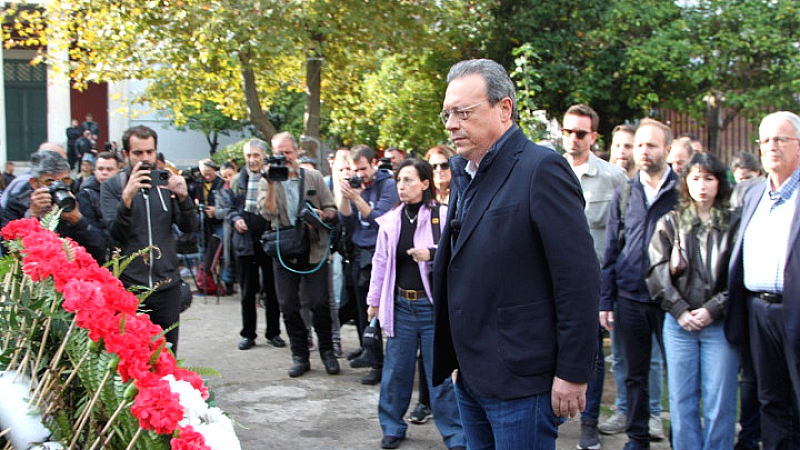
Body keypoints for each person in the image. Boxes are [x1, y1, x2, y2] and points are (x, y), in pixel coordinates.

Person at [431, 59, 599, 449]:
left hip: (523, 382)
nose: (451, 124)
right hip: (472, 375)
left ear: (504, 109)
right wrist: (456, 358)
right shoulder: (465, 174)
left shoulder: (542, 169)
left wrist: (573, 372)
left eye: (462, 112)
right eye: (447, 114)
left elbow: (578, 280)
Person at [366, 158, 464, 450]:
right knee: (396, 370)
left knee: (440, 373)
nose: (402, 186)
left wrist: (431, 253)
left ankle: (455, 434)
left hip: (432, 307)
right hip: (400, 306)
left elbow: (458, 250)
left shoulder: (441, 214)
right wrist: (374, 302)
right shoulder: (390, 221)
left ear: (424, 183)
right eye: (399, 180)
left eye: (408, 180)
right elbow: (380, 262)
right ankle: (392, 426)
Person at [646, 152, 739, 450]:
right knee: (681, 399)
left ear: (719, 183)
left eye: (709, 178)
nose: (702, 185)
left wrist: (712, 309)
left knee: (719, 401)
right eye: (696, 178)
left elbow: (740, 276)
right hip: (679, 325)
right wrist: (679, 309)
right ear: (686, 182)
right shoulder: (671, 222)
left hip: (719, 325)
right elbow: (656, 271)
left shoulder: (734, 223)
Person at [600, 118, 680, 450]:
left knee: (679, 377)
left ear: (668, 149)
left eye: (651, 145)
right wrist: (606, 300)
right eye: (639, 145)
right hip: (630, 298)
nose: (643, 151)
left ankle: (681, 439)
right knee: (634, 376)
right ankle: (637, 439)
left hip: (673, 302)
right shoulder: (625, 192)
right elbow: (611, 249)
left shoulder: (682, 192)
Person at [725, 111, 800, 450]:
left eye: (780, 139)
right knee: (770, 399)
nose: (771, 146)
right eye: (765, 140)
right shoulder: (752, 192)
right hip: (758, 311)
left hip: (794, 309)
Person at [561, 104, 628, 450]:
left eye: (580, 133)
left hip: (593, 282)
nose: (573, 138)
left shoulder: (613, 177)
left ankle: (589, 422)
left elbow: (626, 233)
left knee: (592, 354)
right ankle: (551, 416)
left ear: (594, 137)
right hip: (550, 280)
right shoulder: (546, 169)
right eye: (567, 131)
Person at [100, 125, 197, 354]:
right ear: (126, 155)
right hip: (129, 289)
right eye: (138, 153)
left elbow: (189, 228)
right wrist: (127, 198)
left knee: (167, 355)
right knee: (132, 357)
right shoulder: (112, 187)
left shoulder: (164, 182)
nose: (145, 158)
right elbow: (115, 236)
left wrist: (184, 198)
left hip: (166, 286)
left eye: (150, 152)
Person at [259, 132, 339, 378]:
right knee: (288, 305)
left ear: (296, 152)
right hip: (284, 249)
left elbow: (332, 209)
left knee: (319, 303)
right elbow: (267, 213)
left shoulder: (313, 176)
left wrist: (321, 215)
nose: (284, 158)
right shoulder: (268, 180)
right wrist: (271, 183)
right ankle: (300, 355)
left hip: (314, 248)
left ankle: (327, 352)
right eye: (279, 153)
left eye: (288, 152)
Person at [339, 144, 399, 385]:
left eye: (363, 169)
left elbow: (380, 220)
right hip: (357, 252)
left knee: (376, 310)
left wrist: (357, 198)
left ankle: (379, 364)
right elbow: (346, 220)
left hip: (379, 253)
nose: (359, 174)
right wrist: (345, 197)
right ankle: (368, 351)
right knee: (358, 306)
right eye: (355, 170)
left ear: (374, 163)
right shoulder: (357, 185)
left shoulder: (388, 185)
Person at [227, 139, 285, 351]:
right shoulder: (237, 180)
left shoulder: (272, 177)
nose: (252, 160)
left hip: (267, 239)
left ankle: (273, 333)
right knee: (247, 291)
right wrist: (235, 219)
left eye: (256, 155)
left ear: (264, 156)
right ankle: (248, 334)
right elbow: (227, 207)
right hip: (244, 241)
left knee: (272, 289)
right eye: (248, 156)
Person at [2, 149, 107, 263]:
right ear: (34, 183)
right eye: (49, 182)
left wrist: (78, 220)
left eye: (65, 181)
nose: (58, 187)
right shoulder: (16, 205)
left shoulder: (80, 201)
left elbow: (101, 251)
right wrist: (32, 216)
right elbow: (8, 252)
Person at [77, 151, 119, 264]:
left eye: (109, 169)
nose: (104, 173)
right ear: (94, 171)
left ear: (118, 171)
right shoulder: (86, 194)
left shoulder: (124, 192)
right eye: (100, 169)